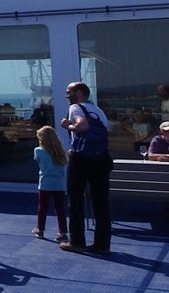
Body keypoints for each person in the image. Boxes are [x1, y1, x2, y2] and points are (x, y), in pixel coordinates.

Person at [60, 81, 112, 254]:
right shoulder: (98, 111)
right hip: (101, 158)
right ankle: (102, 244)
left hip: (81, 158)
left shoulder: (76, 108)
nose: (67, 95)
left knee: (75, 199)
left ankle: (77, 241)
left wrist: (68, 126)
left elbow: (82, 126)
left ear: (79, 92)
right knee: (101, 202)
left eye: (69, 92)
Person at [33, 125, 69, 242]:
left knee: (42, 208)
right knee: (60, 209)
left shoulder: (38, 151)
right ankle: (62, 232)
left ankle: (40, 229)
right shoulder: (60, 152)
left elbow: (39, 161)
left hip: (45, 183)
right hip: (59, 184)